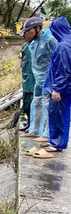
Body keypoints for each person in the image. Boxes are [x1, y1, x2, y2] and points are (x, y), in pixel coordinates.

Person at [36, 16, 71, 156]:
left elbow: (64, 69)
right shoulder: (67, 42)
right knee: (59, 114)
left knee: (57, 114)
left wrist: (57, 88)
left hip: (62, 88)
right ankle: (54, 140)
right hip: (64, 86)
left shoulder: (63, 46)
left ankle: (56, 143)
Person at [25, 19, 57, 141]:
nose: (26, 34)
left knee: (47, 106)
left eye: (29, 31)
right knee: (36, 102)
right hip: (38, 79)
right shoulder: (33, 43)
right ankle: (34, 129)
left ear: (38, 29)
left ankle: (47, 134)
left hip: (49, 79)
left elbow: (57, 59)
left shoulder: (50, 41)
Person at [20, 17, 40, 132]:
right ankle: (29, 123)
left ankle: (33, 126)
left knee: (34, 104)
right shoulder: (25, 45)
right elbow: (22, 57)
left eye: (27, 32)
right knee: (26, 105)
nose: (26, 35)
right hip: (26, 79)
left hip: (35, 79)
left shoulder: (38, 44)